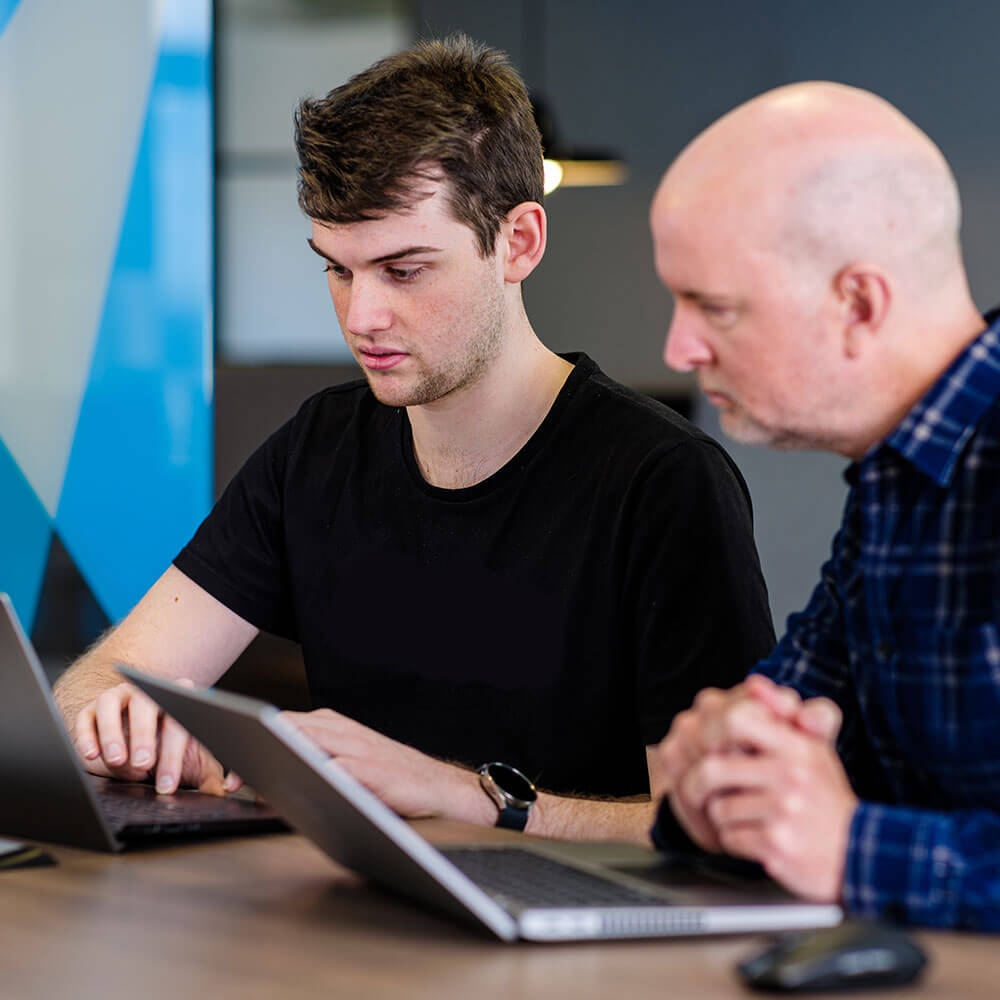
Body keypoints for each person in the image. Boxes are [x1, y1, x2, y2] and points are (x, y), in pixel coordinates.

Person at [54, 35, 774, 843]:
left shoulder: (662, 481)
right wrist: (120, 727)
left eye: (404, 270)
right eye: (338, 269)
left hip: (580, 952)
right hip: (361, 936)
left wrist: (467, 797)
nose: (362, 318)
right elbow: (88, 691)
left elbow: (725, 828)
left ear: (520, 243)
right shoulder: (316, 449)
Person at [649, 80, 1000, 928]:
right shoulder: (894, 482)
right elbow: (764, 739)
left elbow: (834, 835)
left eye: (715, 307)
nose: (678, 346)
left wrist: (850, 848)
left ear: (858, 304)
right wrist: (718, 776)